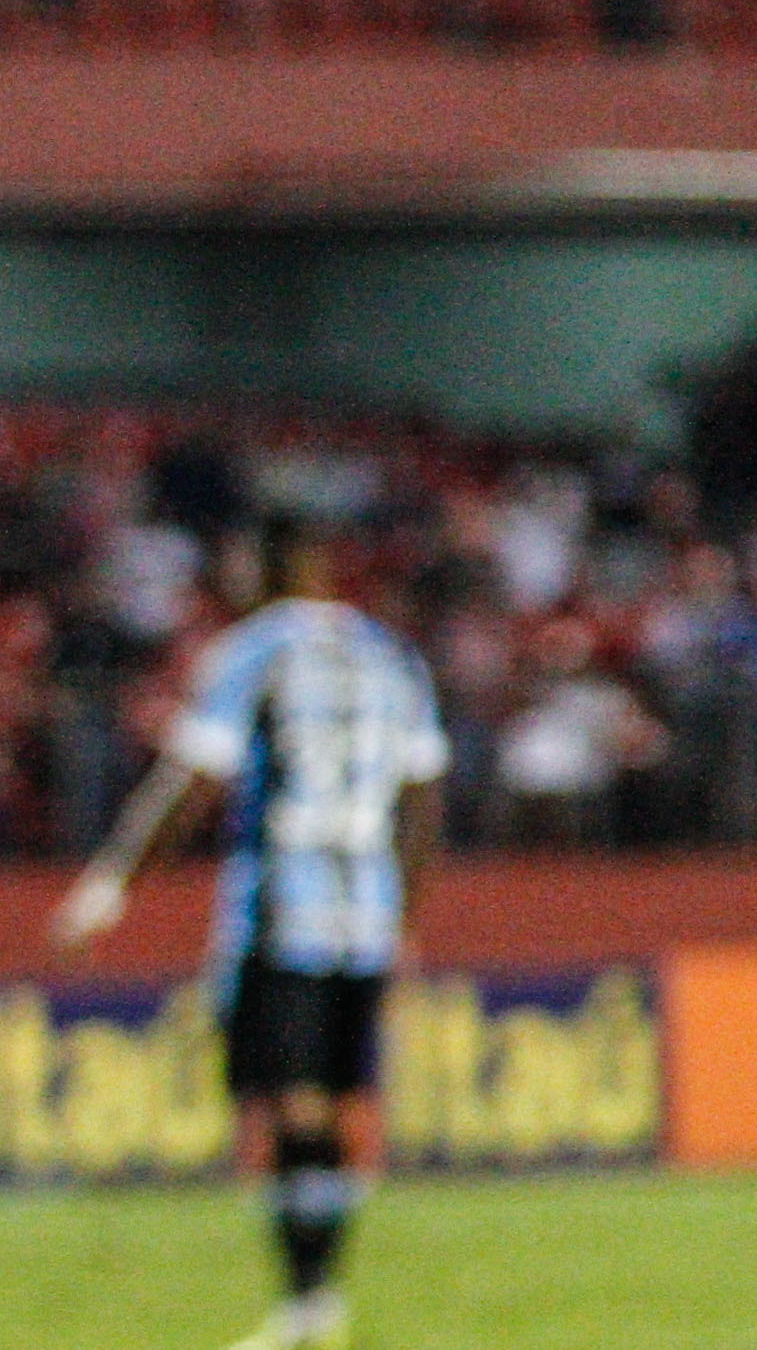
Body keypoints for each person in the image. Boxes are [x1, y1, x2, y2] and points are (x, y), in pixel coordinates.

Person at [49, 515, 448, 1350]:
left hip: (284, 912)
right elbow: (423, 801)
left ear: (263, 568)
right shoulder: (391, 654)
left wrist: (109, 884)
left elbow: (190, 777)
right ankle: (319, 1294)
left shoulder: (253, 651)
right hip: (367, 917)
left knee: (290, 1099)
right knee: (336, 1100)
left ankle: (308, 1299)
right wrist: (406, 920)